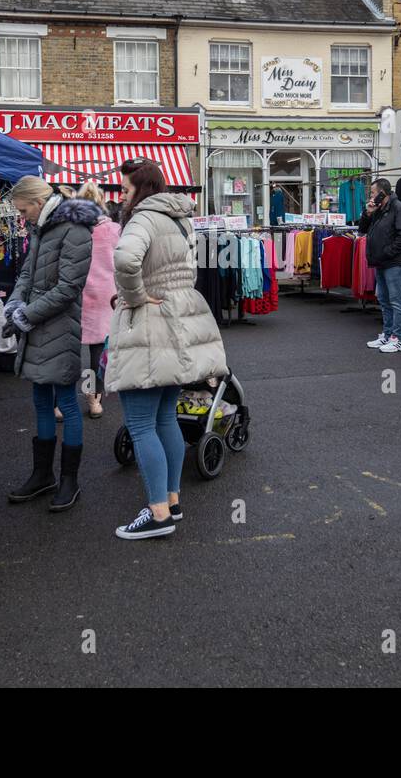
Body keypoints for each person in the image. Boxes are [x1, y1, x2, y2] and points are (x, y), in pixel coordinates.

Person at [104, 160, 227, 540]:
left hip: (148, 325)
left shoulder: (142, 219)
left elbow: (125, 259)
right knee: (165, 419)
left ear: (141, 189)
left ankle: (158, 515)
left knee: (141, 424)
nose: (122, 197)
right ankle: (171, 500)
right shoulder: (179, 219)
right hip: (179, 324)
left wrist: (134, 295)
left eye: (125, 190)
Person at [4, 177, 102, 511]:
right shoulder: (42, 228)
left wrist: (26, 314)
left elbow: (68, 288)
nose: (23, 217)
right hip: (37, 327)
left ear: (37, 201)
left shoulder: (75, 229)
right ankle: (42, 474)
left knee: (67, 403)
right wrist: (14, 304)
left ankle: (69, 481)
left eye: (23, 209)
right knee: (41, 401)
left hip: (60, 328)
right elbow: (27, 277)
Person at [75, 180, 118, 418]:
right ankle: (94, 399)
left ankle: (60, 402)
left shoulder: (74, 229)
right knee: (96, 351)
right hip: (105, 295)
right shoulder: (113, 230)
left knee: (68, 350)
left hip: (76, 293)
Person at [358, 177, 401, 353]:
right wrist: (367, 213)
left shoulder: (398, 208)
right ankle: (388, 335)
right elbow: (362, 229)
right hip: (381, 262)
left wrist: (387, 252)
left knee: (397, 301)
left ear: (383, 192)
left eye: (373, 192)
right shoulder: (379, 209)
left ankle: (399, 339)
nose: (371, 196)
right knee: (384, 299)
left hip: (395, 262)